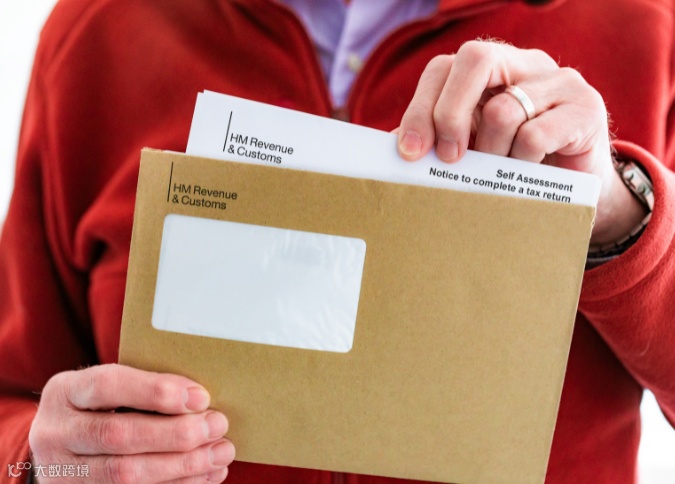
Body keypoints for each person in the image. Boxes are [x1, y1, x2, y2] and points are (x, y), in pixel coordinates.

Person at [1, 0, 673, 482]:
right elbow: (14, 397)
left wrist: (619, 212)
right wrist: (41, 464)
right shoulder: (98, 33)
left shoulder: (641, 27)